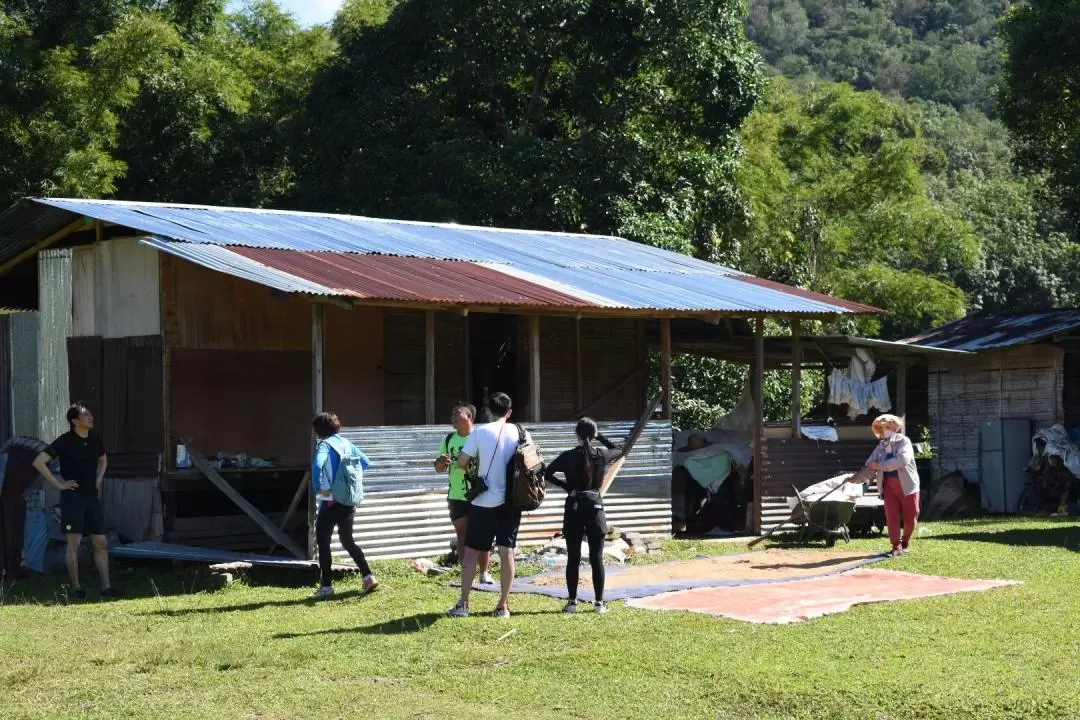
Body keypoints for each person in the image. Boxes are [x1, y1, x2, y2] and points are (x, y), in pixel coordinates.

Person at [448, 392, 530, 618]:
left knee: (472, 551)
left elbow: (462, 463)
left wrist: (475, 468)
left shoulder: (480, 432)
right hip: (512, 502)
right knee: (507, 552)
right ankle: (503, 605)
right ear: (510, 412)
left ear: (487, 411)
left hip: (483, 502)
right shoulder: (520, 431)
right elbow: (532, 461)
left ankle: (463, 604)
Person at [31, 404, 117, 599]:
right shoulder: (66, 440)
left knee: (101, 542)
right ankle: (76, 588)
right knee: (74, 544)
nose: (91, 417)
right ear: (75, 421)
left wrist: (98, 478)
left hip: (91, 496)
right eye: (86, 415)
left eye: (90, 414)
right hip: (72, 497)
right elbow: (38, 461)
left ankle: (106, 587)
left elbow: (103, 460)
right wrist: (59, 484)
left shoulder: (95, 439)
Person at [544, 417, 624, 614]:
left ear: (576, 435)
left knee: (573, 557)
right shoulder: (602, 455)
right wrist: (600, 437)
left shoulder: (568, 456)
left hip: (574, 506)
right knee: (597, 558)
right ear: (593, 435)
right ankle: (598, 603)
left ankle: (572, 602)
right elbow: (619, 449)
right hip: (595, 506)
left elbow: (547, 473)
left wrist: (567, 488)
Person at [311, 411, 377, 598]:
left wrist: (318, 486)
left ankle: (326, 587)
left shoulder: (324, 444)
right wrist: (347, 480)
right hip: (348, 500)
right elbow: (365, 462)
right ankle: (368, 577)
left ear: (320, 430)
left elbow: (317, 465)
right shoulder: (346, 443)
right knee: (348, 541)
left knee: (323, 542)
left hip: (330, 500)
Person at [433, 402, 494, 585]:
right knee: (462, 535)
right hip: (456, 495)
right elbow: (438, 468)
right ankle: (466, 573)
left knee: (482, 534)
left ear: (469, 417)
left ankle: (484, 572)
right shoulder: (448, 440)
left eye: (457, 414)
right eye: (452, 415)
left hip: (479, 494)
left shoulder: (481, 437)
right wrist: (441, 462)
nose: (453, 418)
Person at [858, 413, 920, 556]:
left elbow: (902, 460)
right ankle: (896, 546)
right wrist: (863, 472)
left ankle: (905, 541)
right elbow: (869, 462)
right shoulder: (880, 446)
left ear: (895, 427)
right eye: (882, 427)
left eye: (888, 426)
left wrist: (879, 465)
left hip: (908, 486)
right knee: (892, 517)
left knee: (911, 517)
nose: (885, 429)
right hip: (889, 486)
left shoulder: (904, 441)